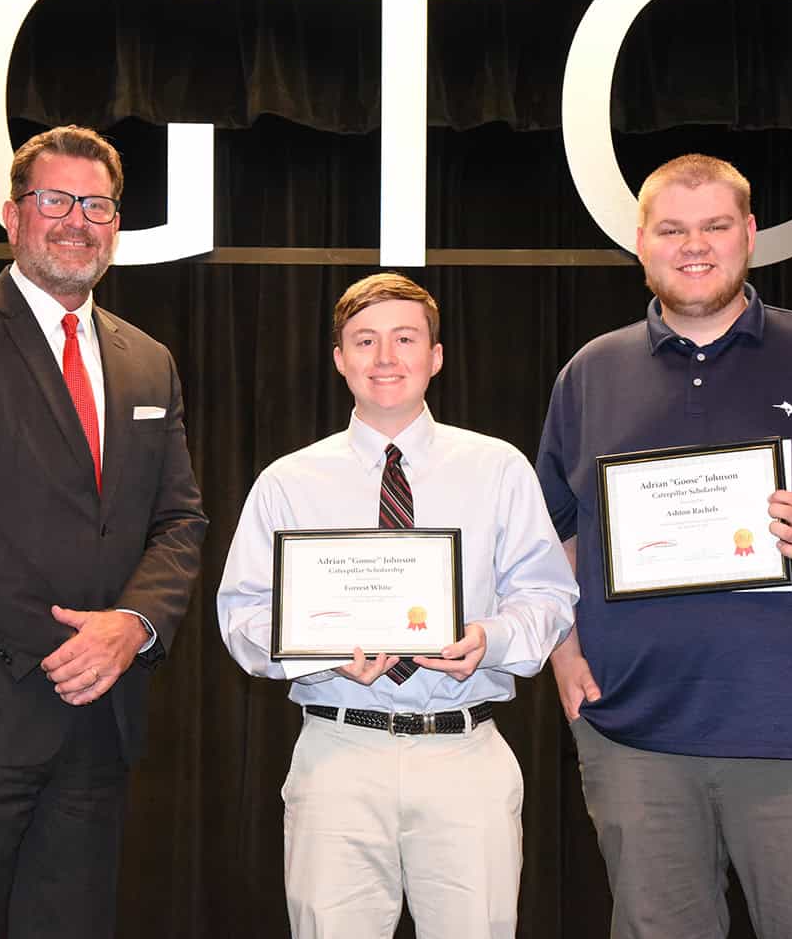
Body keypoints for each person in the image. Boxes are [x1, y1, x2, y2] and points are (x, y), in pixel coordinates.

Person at [536, 153, 792, 939]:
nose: (696, 245)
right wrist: (563, 650)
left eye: (716, 226)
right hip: (635, 736)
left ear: (750, 234)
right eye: (674, 229)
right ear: (641, 240)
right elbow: (557, 531)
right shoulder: (590, 372)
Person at [0, 125, 207, 938]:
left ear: (116, 225)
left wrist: (130, 628)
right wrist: (64, 643)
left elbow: (180, 516)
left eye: (96, 205)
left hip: (97, 724)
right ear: (12, 214)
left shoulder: (149, 359)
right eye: (54, 199)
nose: (76, 221)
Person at [218, 272, 577, 939]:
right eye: (364, 340)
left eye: (404, 338)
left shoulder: (497, 468)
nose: (385, 358)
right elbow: (242, 615)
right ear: (339, 360)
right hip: (337, 753)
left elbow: (549, 593)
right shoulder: (289, 482)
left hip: (464, 752)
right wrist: (318, 650)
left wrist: (489, 638)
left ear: (436, 356)